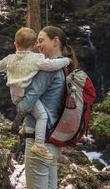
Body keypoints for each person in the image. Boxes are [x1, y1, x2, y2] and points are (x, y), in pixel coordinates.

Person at [0, 27, 70, 160]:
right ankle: (39, 144)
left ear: (16, 44)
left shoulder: (10, 58)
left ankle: (23, 128)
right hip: (27, 96)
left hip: (15, 97)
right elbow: (51, 65)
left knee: (31, 109)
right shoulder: (37, 59)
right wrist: (66, 61)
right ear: (34, 45)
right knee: (42, 116)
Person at [16, 26, 78, 189]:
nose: (37, 45)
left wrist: (18, 102)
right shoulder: (65, 69)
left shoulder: (49, 69)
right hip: (53, 142)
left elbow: (27, 104)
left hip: (39, 142)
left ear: (55, 41)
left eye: (41, 40)